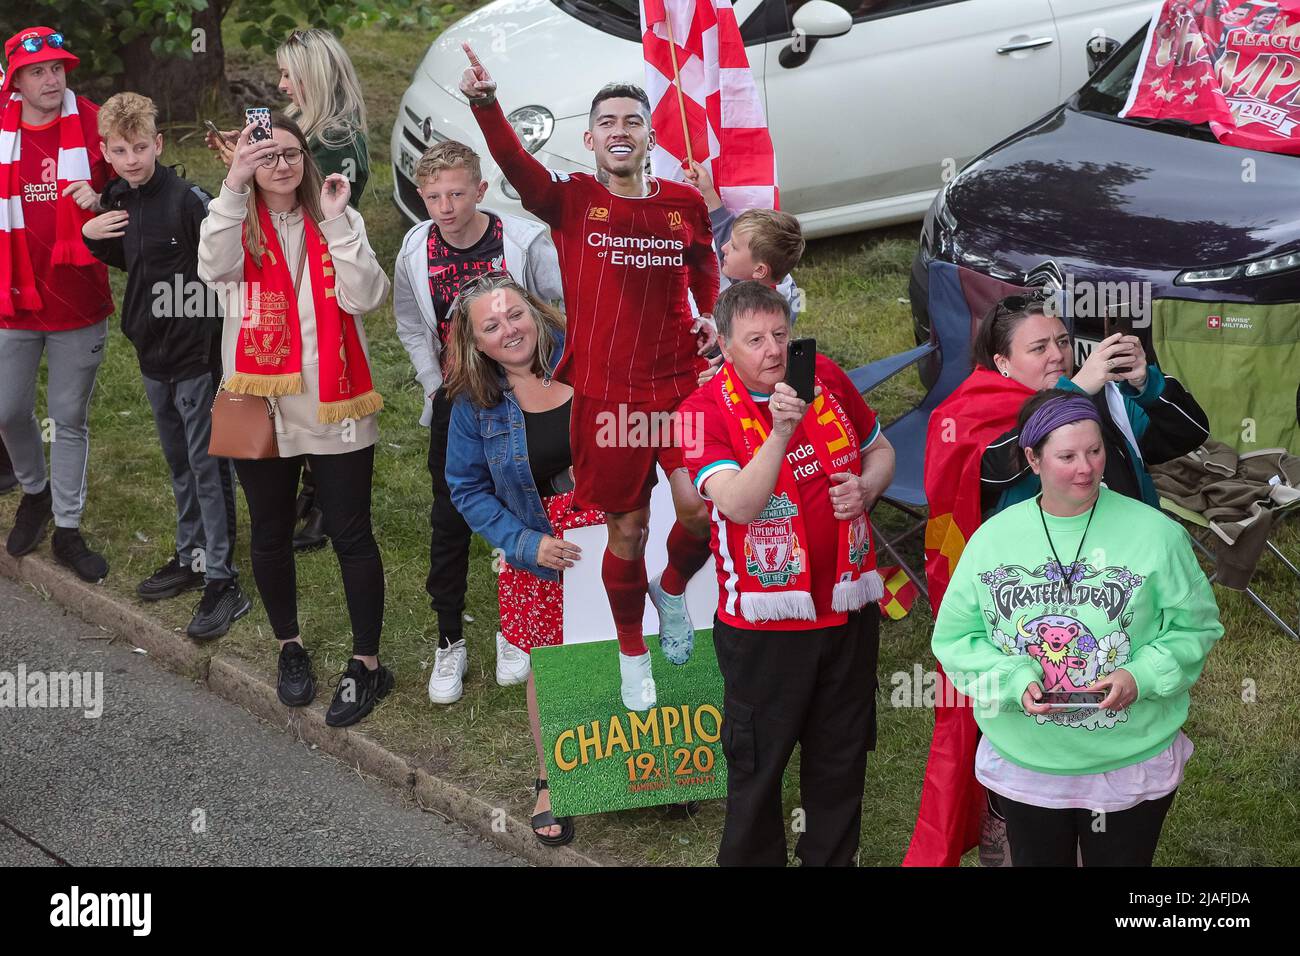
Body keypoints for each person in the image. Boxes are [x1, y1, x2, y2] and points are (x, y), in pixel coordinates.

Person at [906, 289, 1210, 867]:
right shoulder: (978, 409)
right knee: (1031, 831)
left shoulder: (1102, 406)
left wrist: (1147, 384)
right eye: (1039, 346)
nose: (1058, 354)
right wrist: (1075, 391)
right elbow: (994, 466)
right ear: (1001, 363)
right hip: (1027, 623)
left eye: (1064, 342)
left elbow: (1188, 433)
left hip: (1125, 600)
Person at [460, 43, 720, 712]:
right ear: (591, 138)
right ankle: (633, 650)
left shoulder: (685, 204)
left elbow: (704, 268)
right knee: (625, 530)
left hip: (679, 382)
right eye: (607, 122)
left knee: (697, 505)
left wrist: (712, 315)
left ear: (648, 136)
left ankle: (672, 589)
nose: (619, 131)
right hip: (608, 394)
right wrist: (486, 104)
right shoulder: (571, 201)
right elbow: (517, 167)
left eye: (631, 120)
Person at [680, 281, 896, 866]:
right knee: (758, 766)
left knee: (841, 755)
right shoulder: (699, 413)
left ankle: (830, 859)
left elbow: (880, 451)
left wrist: (866, 487)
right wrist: (779, 431)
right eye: (755, 340)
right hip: (764, 633)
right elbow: (739, 505)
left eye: (780, 334)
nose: (774, 351)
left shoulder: (822, 374)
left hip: (848, 610)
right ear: (724, 346)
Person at [197, 113, 392, 727]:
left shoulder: (339, 217)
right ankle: (290, 647)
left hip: (335, 404)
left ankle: (366, 664)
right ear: (247, 164)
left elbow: (366, 296)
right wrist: (232, 186)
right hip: (263, 405)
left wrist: (336, 223)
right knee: (271, 531)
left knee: (351, 532)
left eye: (291, 153)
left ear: (306, 159)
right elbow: (213, 268)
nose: (280, 164)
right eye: (266, 155)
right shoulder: (233, 220)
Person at [393, 139, 564, 704]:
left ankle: (516, 627)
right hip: (462, 399)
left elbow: (554, 305)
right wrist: (435, 383)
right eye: (434, 196)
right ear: (421, 196)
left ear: (481, 190)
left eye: (458, 194)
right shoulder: (416, 248)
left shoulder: (521, 241)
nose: (446, 206)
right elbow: (413, 324)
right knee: (451, 513)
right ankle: (449, 637)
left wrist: (546, 371)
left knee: (531, 499)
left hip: (528, 390)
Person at [81, 92, 249, 639]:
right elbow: (130, 258)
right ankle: (191, 553)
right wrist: (89, 233)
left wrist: (213, 343)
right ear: (108, 153)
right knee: (178, 462)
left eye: (139, 147)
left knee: (208, 464)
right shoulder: (117, 199)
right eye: (119, 150)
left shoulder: (186, 200)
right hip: (150, 355)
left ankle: (223, 580)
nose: (131, 159)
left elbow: (221, 269)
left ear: (157, 144)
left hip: (195, 356)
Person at [443, 271, 602, 846]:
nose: (508, 330)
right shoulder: (475, 404)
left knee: (633, 643)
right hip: (541, 548)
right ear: (475, 341)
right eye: (491, 325)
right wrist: (524, 544)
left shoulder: (585, 355)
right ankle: (552, 776)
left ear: (534, 312)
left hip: (616, 531)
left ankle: (643, 764)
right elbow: (465, 488)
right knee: (552, 665)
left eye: (514, 315)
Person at [206, 27, 372, 552]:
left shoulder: (333, 142)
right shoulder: (307, 129)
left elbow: (314, 205)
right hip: (277, 287)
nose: (280, 86)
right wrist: (240, 171)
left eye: (288, 75)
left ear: (313, 77)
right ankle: (307, 483)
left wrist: (261, 168)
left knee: (316, 374)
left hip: (321, 283)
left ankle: (322, 493)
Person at [0, 26, 114, 582]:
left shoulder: (94, 121)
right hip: (13, 300)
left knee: (68, 418)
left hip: (78, 299)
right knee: (6, 409)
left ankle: (68, 528)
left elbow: (137, 179)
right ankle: (34, 492)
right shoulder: (1, 128)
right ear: (15, 80)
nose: (51, 78)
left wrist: (106, 197)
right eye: (38, 70)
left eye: (57, 67)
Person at [684, 159, 803, 318]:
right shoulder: (765, 278)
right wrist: (707, 191)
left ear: (760, 270)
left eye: (733, 246)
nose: (723, 247)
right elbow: (723, 227)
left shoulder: (758, 318)